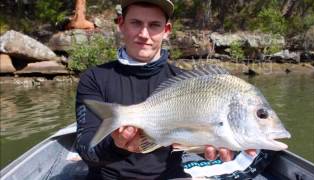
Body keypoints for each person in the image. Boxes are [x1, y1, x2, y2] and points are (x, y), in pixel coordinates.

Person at [75, 0, 255, 179]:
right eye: (136, 23)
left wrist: (212, 144)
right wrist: (117, 145)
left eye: (154, 25)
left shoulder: (185, 83)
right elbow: (86, 150)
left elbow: (192, 139)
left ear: (166, 31)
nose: (144, 34)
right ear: (121, 24)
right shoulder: (94, 78)